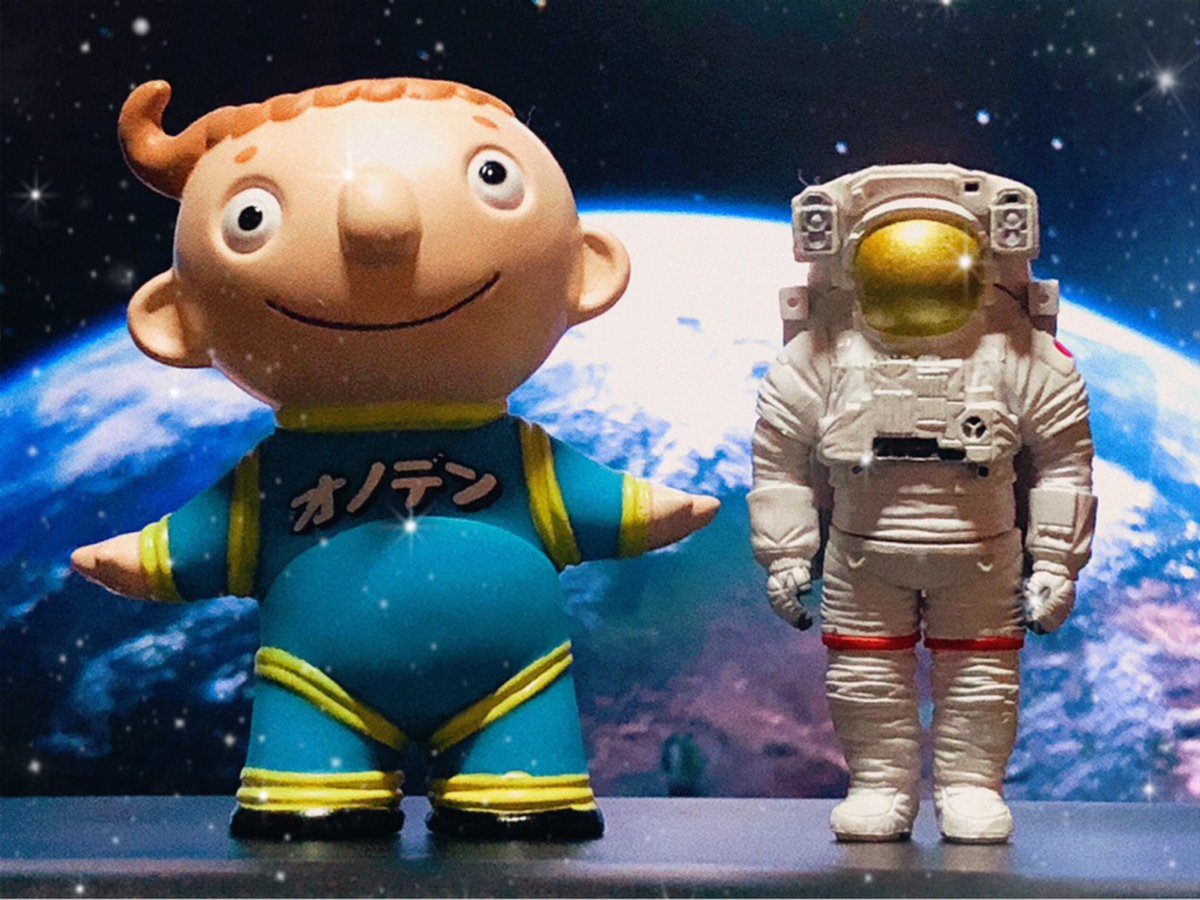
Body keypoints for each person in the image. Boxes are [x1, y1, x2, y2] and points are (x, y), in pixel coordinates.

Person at [72, 78, 719, 841]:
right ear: (176, 321)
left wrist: (645, 509)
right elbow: (217, 535)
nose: (378, 224)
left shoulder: (517, 456)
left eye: (492, 178)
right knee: (316, 844)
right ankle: (327, 789)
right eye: (251, 218)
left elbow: (591, 501)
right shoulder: (287, 471)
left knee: (520, 846)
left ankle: (499, 788)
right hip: (314, 685)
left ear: (588, 269)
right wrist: (153, 555)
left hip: (516, 684)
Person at [749, 164, 1095, 843]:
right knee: (867, 675)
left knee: (981, 677)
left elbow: (1062, 464)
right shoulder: (820, 358)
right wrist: (787, 553)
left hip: (980, 555)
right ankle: (879, 785)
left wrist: (1056, 561)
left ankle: (971, 787)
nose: (917, 291)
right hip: (864, 555)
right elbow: (781, 463)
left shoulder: (1020, 357)